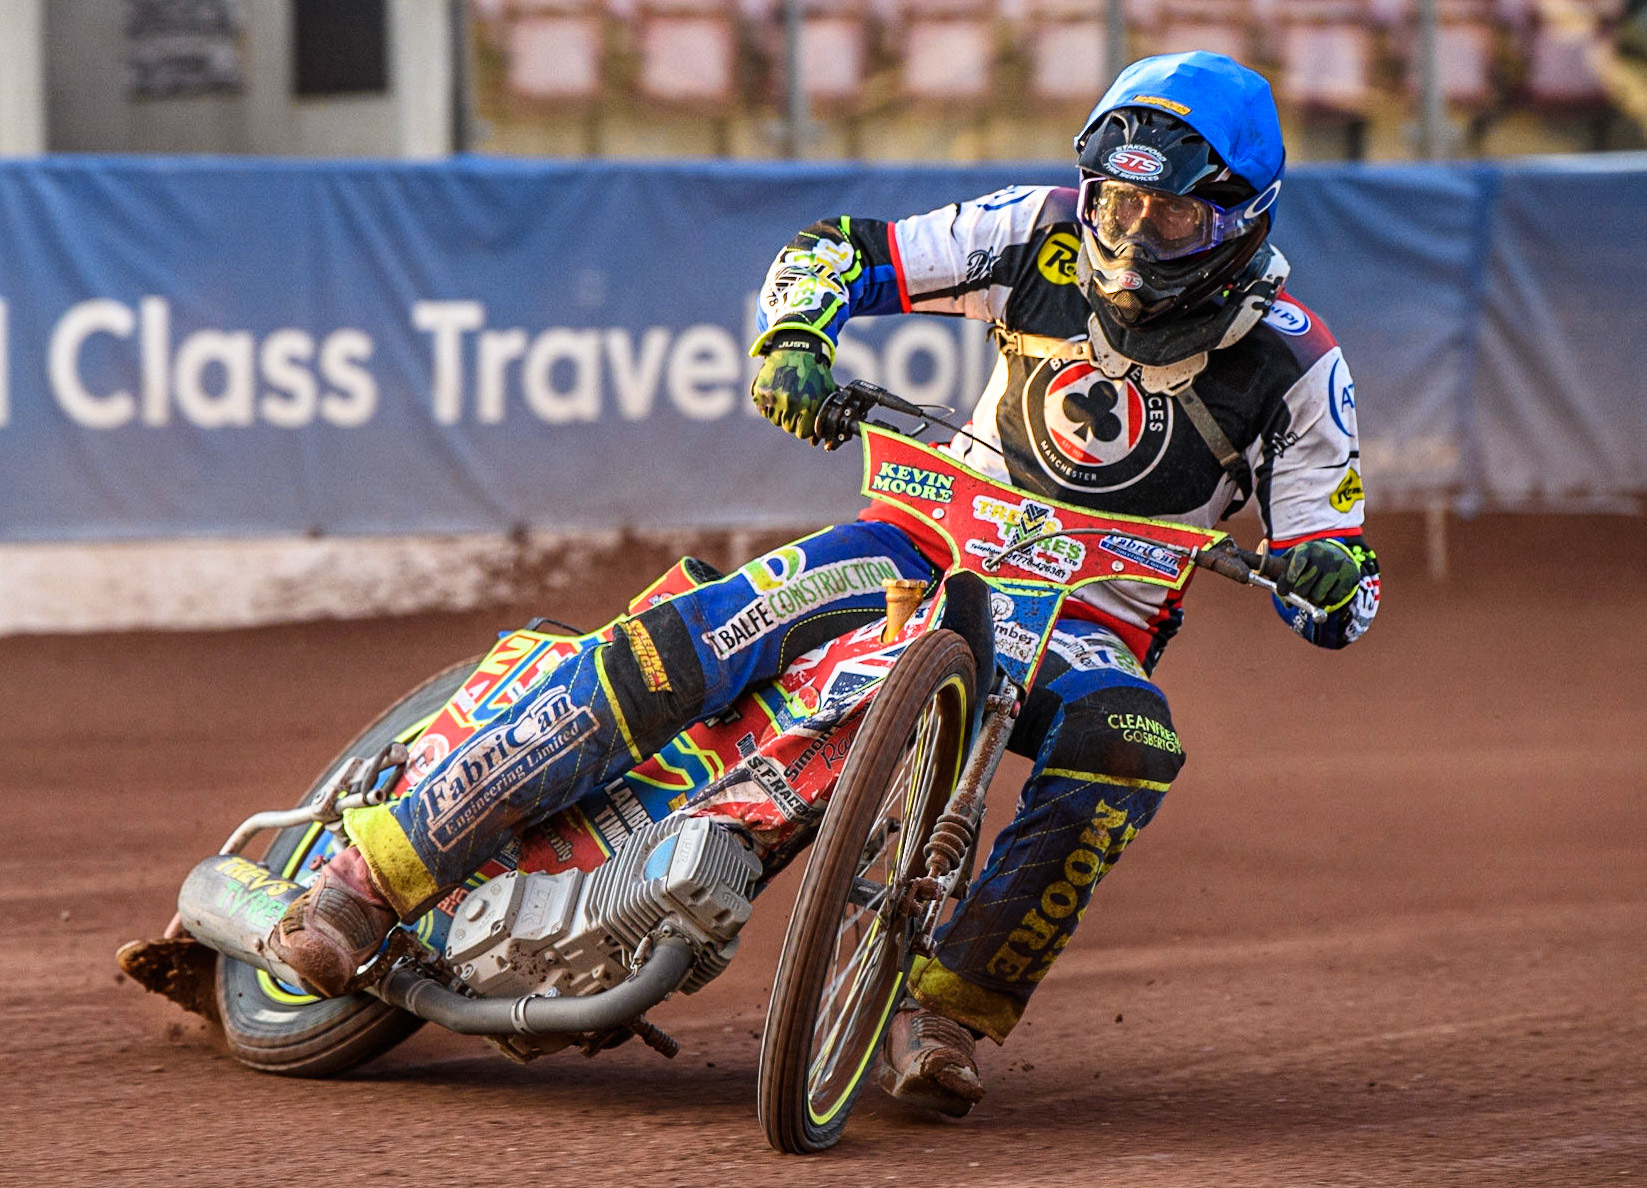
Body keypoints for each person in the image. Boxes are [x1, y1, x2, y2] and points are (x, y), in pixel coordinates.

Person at [267, 51, 1380, 1119]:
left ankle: (947, 1014)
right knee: (697, 634)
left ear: (1242, 219)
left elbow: (1341, 577)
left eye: (1170, 217)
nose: (1130, 240)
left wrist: (1324, 576)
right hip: (922, 538)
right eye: (1116, 205)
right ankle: (367, 882)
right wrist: (794, 338)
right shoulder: (1035, 228)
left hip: (1087, 615)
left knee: (1131, 743)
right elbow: (842, 250)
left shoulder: (1295, 361)